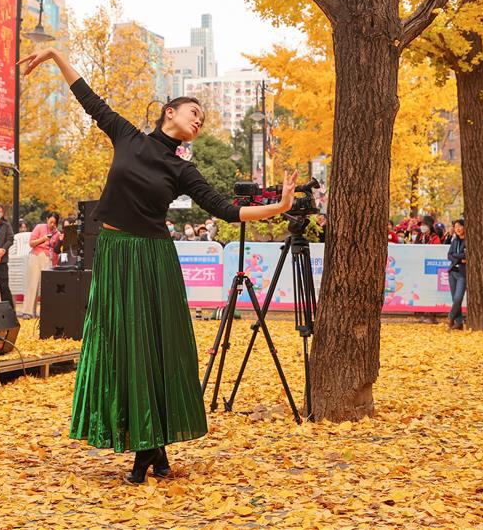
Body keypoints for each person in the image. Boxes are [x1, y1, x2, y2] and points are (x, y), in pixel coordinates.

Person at [19, 46, 298, 484]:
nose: (198, 121)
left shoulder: (181, 169)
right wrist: (56, 54)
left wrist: (279, 206)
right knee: (122, 347)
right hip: (113, 253)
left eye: (201, 120)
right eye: (194, 113)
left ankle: (146, 453)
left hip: (152, 259)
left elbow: (227, 211)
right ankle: (156, 453)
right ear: (169, 112)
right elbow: (86, 96)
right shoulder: (127, 135)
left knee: (152, 348)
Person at [21, 211, 60, 318]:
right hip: (36, 256)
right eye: (51, 222)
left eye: (54, 223)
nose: (52, 225)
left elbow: (56, 250)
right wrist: (43, 239)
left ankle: (45, 312)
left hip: (48, 259)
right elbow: (31, 243)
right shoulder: (39, 227)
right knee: (32, 283)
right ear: (47, 219)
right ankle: (28, 311)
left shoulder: (57, 233)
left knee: (46, 286)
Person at [447, 219, 466, 330]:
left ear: (464, 227)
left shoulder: (468, 240)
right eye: (455, 227)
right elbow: (449, 255)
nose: (457, 229)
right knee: (455, 299)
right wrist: (459, 257)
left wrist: (456, 256)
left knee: (458, 298)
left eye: (459, 226)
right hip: (452, 272)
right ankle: (459, 323)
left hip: (463, 274)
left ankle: (450, 317)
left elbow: (466, 255)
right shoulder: (455, 241)